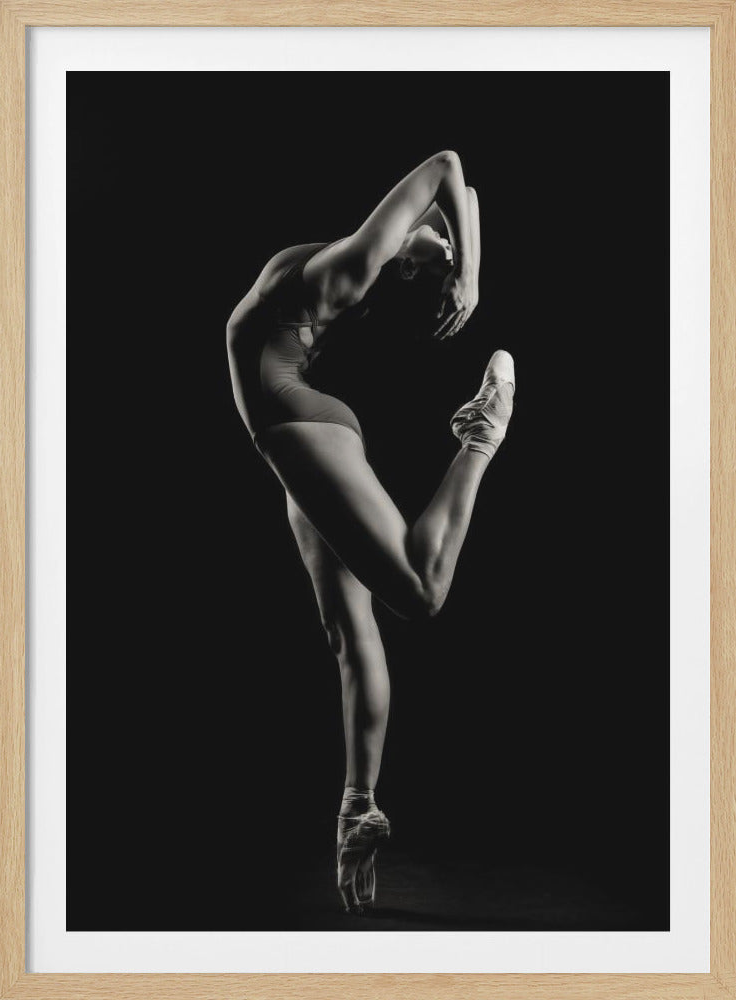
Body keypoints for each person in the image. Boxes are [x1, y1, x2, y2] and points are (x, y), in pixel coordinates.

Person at [226, 150, 515, 914]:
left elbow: (450, 178)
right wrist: (470, 272)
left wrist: (463, 265)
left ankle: (479, 435)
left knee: (420, 592)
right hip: (300, 426)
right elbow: (458, 177)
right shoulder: (350, 264)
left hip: (295, 421)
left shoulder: (350, 266)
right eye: (440, 240)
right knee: (349, 635)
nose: (446, 242)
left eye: (443, 249)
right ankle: (359, 806)